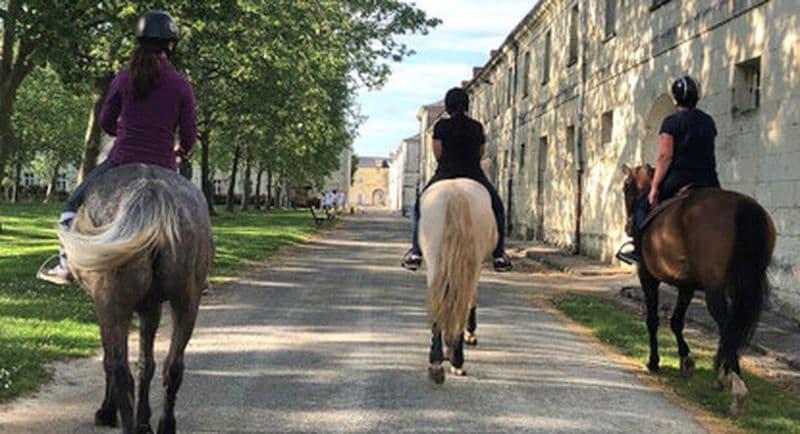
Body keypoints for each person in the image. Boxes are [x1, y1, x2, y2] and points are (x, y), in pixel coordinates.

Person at [37, 10, 197, 285]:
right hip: (164, 165)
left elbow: (106, 121)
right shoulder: (182, 85)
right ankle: (196, 273)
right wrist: (179, 150)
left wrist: (122, 133)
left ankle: (65, 265)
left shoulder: (123, 79)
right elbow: (190, 136)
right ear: (171, 45)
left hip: (121, 160)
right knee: (195, 214)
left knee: (72, 205)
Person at [401, 87, 512, 272]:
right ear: (467, 105)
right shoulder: (477, 127)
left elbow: (437, 154)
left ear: (448, 106)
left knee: (418, 207)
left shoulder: (440, 126)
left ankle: (416, 253)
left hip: (445, 173)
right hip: (473, 174)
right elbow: (481, 152)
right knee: (498, 208)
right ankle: (499, 255)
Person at [617, 75, 720, 265]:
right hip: (709, 179)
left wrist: (655, 186)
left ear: (676, 98)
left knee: (641, 206)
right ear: (696, 98)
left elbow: (665, 157)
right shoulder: (708, 121)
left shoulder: (671, 123)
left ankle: (638, 250)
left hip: (679, 178)